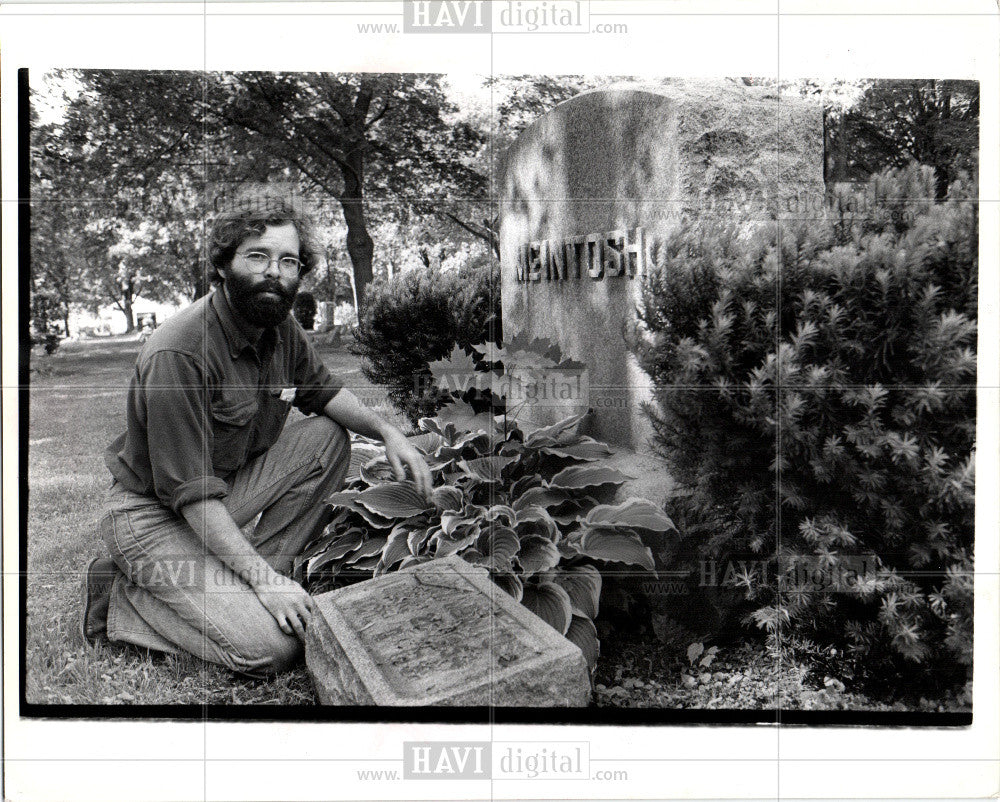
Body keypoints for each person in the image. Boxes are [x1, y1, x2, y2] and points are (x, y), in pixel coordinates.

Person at [80, 189, 431, 676]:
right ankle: (121, 598)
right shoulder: (179, 353)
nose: (274, 271)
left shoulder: (280, 327)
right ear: (223, 264)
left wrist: (388, 432)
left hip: (221, 496)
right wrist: (262, 582)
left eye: (289, 261)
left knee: (328, 436)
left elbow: (325, 395)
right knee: (274, 649)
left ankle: (250, 580)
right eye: (258, 256)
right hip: (153, 516)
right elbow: (193, 496)